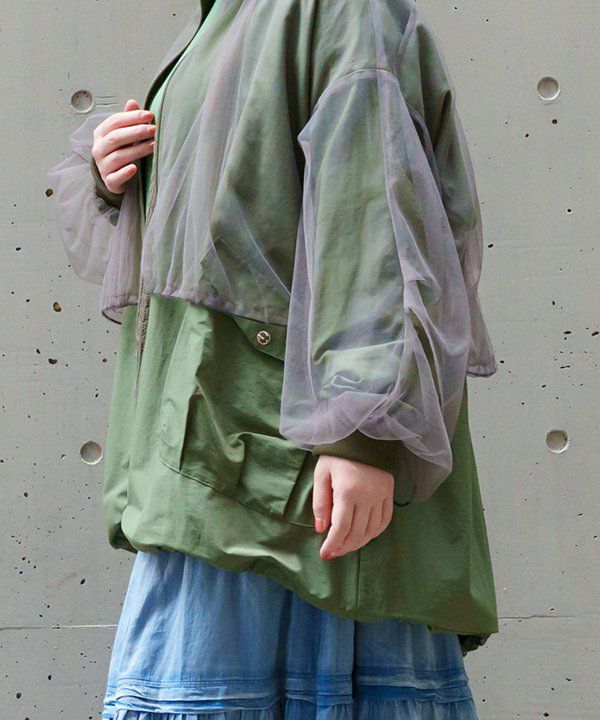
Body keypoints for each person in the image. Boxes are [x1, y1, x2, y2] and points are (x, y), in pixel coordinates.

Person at [47, 1, 500, 718]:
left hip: (290, 468)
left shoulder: (340, 10)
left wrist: (365, 433)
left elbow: (376, 208)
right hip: (218, 458)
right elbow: (231, 224)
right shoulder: (220, 20)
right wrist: (121, 174)